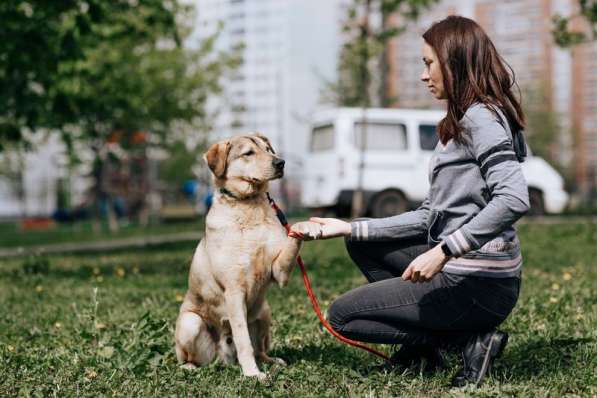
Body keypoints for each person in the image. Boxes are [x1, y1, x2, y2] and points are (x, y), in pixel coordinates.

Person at [292, 15, 530, 387]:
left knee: (342, 317)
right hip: (476, 277)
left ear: (454, 63)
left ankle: (468, 341)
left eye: (429, 64)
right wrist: (348, 226)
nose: (424, 75)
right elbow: (429, 216)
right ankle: (427, 349)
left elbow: (514, 198)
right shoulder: (463, 119)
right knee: (361, 241)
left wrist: (444, 251)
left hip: (478, 285)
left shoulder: (481, 119)